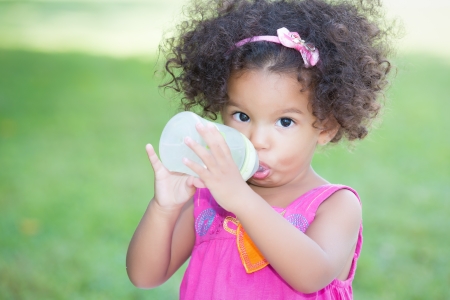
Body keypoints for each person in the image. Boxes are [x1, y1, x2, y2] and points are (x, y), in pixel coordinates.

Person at [126, 0, 394, 298]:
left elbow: (311, 276)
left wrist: (241, 200)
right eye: (242, 116)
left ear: (326, 127)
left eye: (284, 121)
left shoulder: (335, 206)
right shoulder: (210, 196)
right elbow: (145, 276)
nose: (257, 139)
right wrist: (163, 209)